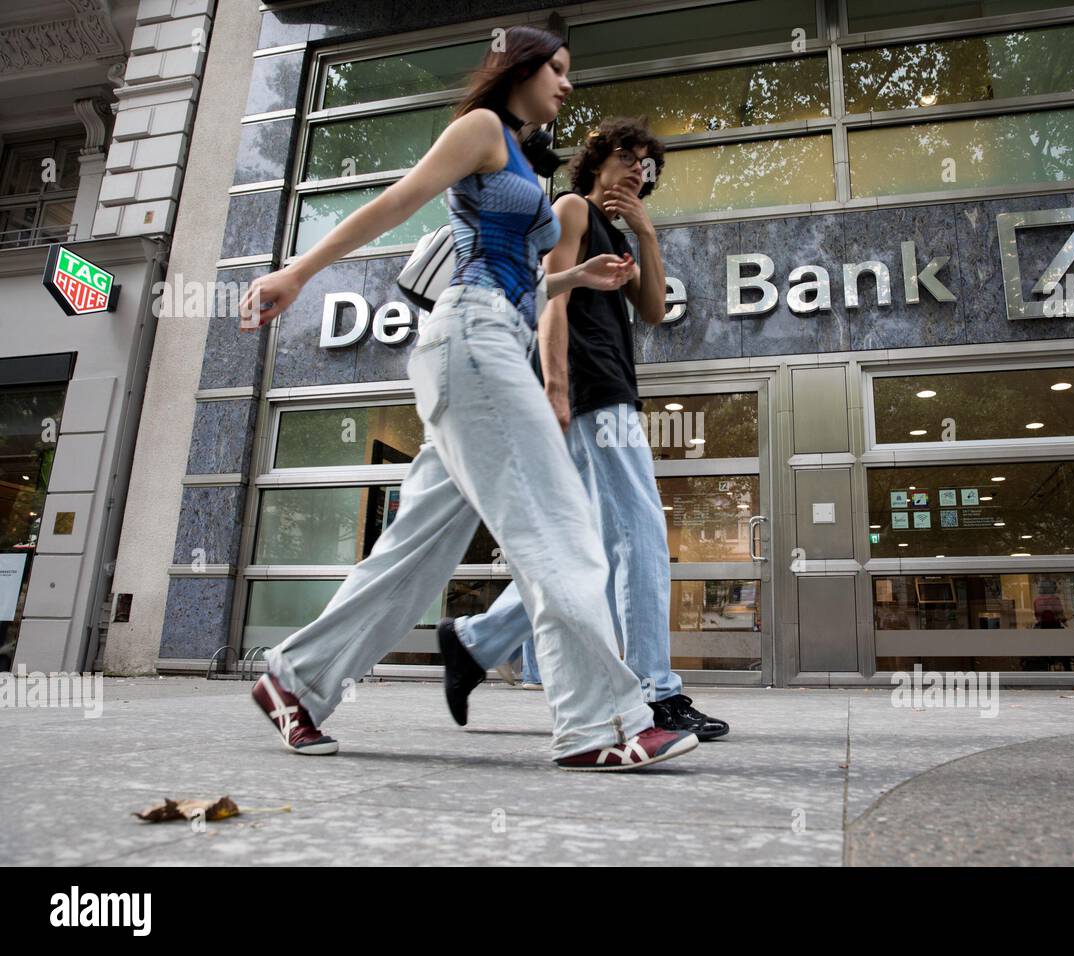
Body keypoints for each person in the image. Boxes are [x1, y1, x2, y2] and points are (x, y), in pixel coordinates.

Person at [237, 27, 698, 772]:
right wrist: (297, 273)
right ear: (518, 66)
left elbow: (518, 279)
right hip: (472, 346)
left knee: (415, 553)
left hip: (490, 344)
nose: (566, 84)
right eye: (556, 68)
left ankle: (295, 680)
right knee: (559, 525)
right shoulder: (480, 130)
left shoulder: (521, 158)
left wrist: (575, 281)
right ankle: (602, 723)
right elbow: (398, 202)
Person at [437, 117, 729, 740]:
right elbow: (550, 295)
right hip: (591, 392)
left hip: (611, 390)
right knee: (642, 533)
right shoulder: (570, 208)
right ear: (597, 160)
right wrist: (556, 388)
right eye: (627, 156)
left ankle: (473, 641)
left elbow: (652, 309)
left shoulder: (620, 237)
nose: (635, 170)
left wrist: (646, 235)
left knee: (590, 549)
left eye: (646, 167)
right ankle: (654, 690)